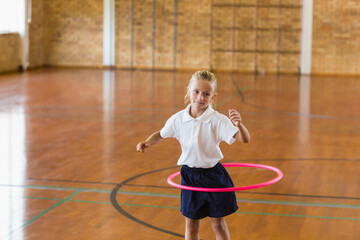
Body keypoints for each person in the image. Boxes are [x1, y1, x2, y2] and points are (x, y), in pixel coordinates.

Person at [136, 70, 250, 240]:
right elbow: (161, 134)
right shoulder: (178, 119)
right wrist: (147, 142)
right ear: (188, 91)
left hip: (214, 176)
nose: (200, 97)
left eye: (206, 94)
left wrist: (239, 125)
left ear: (213, 97)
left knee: (218, 223)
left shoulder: (217, 120)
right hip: (190, 175)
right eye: (196, 92)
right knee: (191, 224)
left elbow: (245, 139)